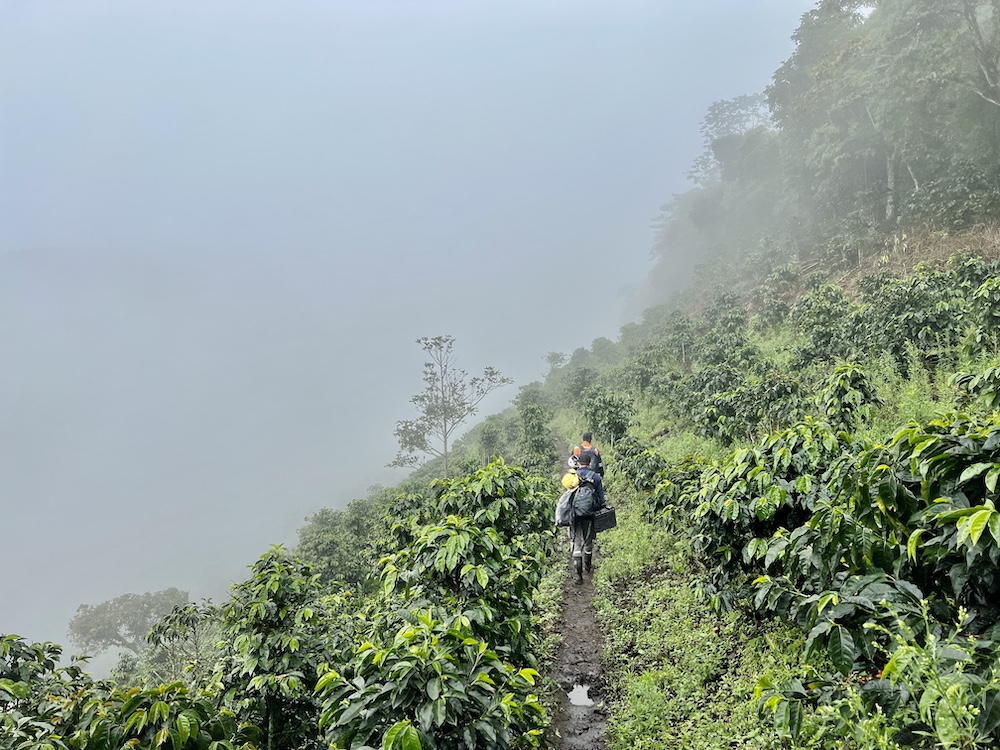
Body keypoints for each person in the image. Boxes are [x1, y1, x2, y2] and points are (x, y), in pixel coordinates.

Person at [570, 449, 605, 585]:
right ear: (589, 464)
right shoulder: (595, 477)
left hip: (575, 515)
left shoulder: (573, 476)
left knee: (577, 541)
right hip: (589, 514)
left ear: (579, 464)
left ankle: (578, 576)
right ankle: (587, 567)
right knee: (588, 540)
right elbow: (601, 498)